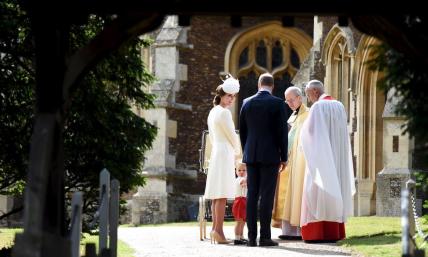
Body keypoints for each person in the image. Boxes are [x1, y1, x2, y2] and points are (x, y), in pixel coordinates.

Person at [299, 80, 356, 242]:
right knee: (334, 187)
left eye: (308, 94)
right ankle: (334, 231)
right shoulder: (339, 106)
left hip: (321, 156)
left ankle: (316, 233)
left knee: (316, 189)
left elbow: (308, 132)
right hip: (336, 156)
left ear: (315, 92)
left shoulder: (317, 107)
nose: (308, 99)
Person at [239, 72, 288, 247]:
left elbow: (243, 131)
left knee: (252, 195)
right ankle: (265, 237)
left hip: (251, 155)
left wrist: (247, 152)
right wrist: (284, 157)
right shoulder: (278, 103)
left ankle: (251, 238)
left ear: (259, 85)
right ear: (272, 86)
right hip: (270, 156)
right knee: (267, 195)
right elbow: (282, 132)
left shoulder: (246, 102)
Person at [204, 75, 241, 244]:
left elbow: (212, 137)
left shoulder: (212, 112)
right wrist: (240, 153)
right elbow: (232, 136)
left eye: (233, 96)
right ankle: (218, 231)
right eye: (229, 96)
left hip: (217, 152)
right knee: (222, 194)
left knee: (217, 194)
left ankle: (215, 229)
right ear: (221, 96)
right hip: (224, 152)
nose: (231, 99)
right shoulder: (224, 113)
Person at [272, 86, 309, 240]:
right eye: (287, 101)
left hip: (299, 162)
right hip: (288, 162)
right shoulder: (293, 115)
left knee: (296, 194)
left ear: (300, 98)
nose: (289, 104)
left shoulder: (308, 115)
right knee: (285, 195)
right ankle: (287, 230)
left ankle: (297, 230)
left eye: (291, 100)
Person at [232, 161, 248, 245]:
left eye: (244, 170)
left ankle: (241, 236)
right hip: (239, 201)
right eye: (239, 170)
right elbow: (243, 184)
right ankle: (237, 237)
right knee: (239, 221)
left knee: (243, 221)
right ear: (236, 171)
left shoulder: (243, 178)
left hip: (243, 200)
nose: (241, 172)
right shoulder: (240, 179)